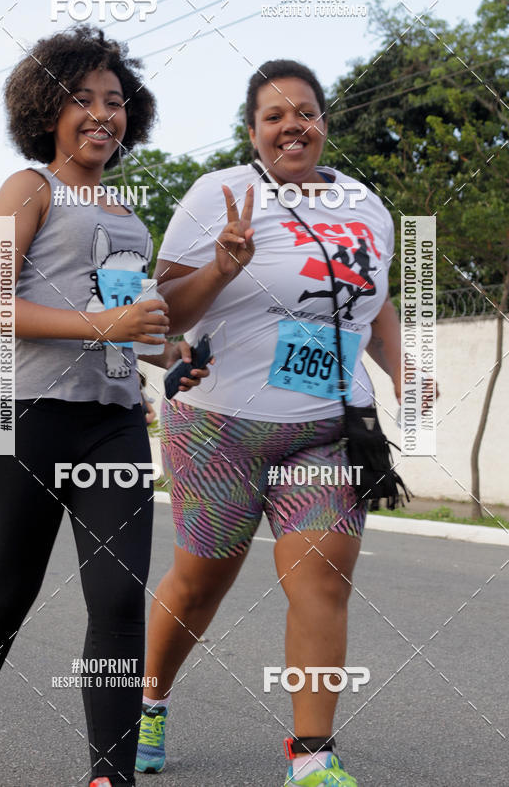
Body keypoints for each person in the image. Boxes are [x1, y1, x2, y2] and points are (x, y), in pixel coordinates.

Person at [0, 25, 208, 787]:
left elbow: (127, 324)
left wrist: (172, 353)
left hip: (113, 420)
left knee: (119, 599)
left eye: (115, 101)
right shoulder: (28, 188)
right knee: (8, 589)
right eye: (81, 98)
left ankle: (108, 776)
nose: (101, 114)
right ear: (46, 110)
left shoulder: (127, 215)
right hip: (20, 414)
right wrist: (104, 325)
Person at [135, 60, 405, 786]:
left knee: (322, 582)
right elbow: (165, 317)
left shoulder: (366, 205)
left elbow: (375, 302)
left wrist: (405, 369)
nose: (293, 126)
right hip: (219, 425)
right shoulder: (218, 195)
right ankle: (149, 702)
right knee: (199, 584)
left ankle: (312, 757)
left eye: (306, 112)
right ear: (253, 131)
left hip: (324, 425)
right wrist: (221, 268)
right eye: (275, 116)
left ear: (323, 122)